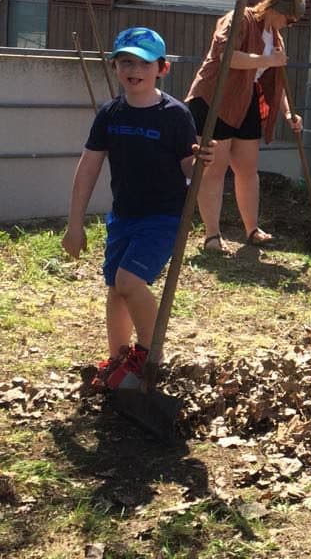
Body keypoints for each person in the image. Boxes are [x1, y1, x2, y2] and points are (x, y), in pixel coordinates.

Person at [61, 28, 214, 390]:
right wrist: (74, 225)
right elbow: (88, 168)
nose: (135, 69)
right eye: (126, 61)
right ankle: (118, 362)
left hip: (164, 217)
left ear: (162, 68)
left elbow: (189, 171)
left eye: (145, 62)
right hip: (124, 215)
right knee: (115, 287)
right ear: (115, 66)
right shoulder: (110, 113)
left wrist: (202, 161)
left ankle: (147, 355)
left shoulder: (175, 115)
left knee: (130, 282)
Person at [185, 0, 304, 251]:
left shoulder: (276, 37)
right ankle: (212, 236)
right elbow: (228, 57)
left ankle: (252, 229)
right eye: (290, 18)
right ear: (277, 8)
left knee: (248, 169)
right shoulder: (237, 19)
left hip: (246, 100)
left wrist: (288, 114)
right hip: (214, 99)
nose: (290, 24)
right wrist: (267, 60)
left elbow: (276, 83)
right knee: (214, 170)